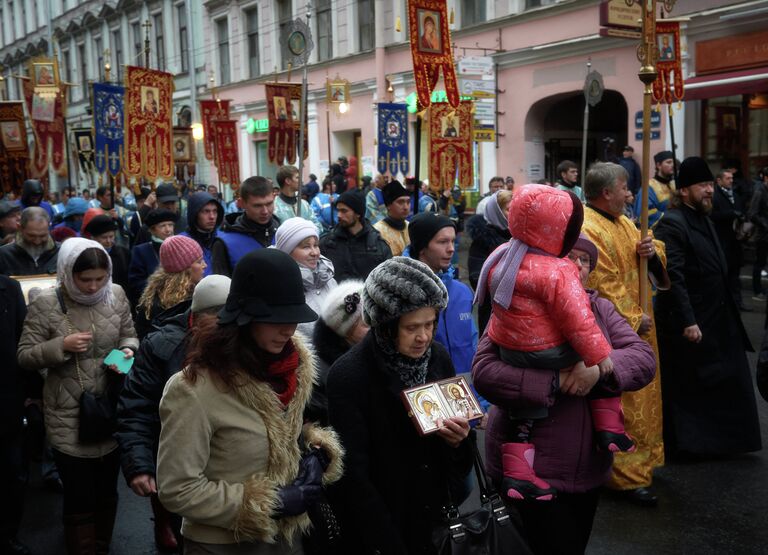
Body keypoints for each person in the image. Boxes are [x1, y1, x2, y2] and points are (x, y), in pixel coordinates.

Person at [472, 234, 656, 555]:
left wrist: (599, 369)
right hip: (529, 468)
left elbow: (642, 358)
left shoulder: (600, 307)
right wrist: (555, 381)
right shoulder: (516, 306)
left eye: (585, 261)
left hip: (587, 468)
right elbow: (485, 373)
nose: (579, 266)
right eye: (571, 256)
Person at [156, 248, 344, 553]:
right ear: (245, 318)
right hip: (221, 544)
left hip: (285, 539)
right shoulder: (194, 388)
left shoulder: (294, 367)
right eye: (275, 319)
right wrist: (268, 503)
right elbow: (177, 488)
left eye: (294, 317)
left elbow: (281, 436)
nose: (288, 329)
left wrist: (314, 452)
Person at [474, 184, 623, 501]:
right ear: (561, 229)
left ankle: (518, 475)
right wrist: (597, 358)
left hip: (511, 347)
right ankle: (609, 424)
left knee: (524, 415)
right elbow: (578, 320)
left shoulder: (505, 254)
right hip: (546, 351)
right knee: (600, 359)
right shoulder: (558, 270)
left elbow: (488, 297)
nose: (578, 264)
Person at [326, 257, 473, 553]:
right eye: (412, 328)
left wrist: (461, 441)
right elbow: (354, 475)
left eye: (430, 324)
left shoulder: (438, 357)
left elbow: (457, 451)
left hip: (437, 517)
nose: (424, 337)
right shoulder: (349, 375)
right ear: (385, 326)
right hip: (386, 523)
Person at [17, 238, 138, 554]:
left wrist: (127, 350)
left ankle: (102, 543)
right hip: (66, 411)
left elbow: (130, 333)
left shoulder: (116, 295)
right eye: (85, 279)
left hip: (109, 405)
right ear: (68, 272)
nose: (93, 286)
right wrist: (61, 346)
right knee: (79, 492)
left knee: (107, 490)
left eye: (100, 278)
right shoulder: (46, 303)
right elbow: (25, 355)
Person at [654, 156, 762, 458]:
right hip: (691, 319)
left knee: (727, 381)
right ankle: (691, 447)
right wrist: (688, 320)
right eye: (702, 185)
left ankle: (726, 443)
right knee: (692, 386)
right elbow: (672, 277)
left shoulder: (705, 217)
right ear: (684, 191)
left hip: (718, 314)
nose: (709, 190)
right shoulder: (673, 223)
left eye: (710, 184)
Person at [116, 275, 231, 552]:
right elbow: (136, 405)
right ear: (199, 316)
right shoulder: (161, 345)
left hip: (225, 458)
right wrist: (139, 465)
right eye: (218, 320)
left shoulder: (242, 338)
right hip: (177, 455)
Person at [581, 161, 669, 506]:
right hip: (617, 330)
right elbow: (601, 282)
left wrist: (651, 252)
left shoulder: (624, 221)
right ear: (606, 192)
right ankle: (622, 475)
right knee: (622, 400)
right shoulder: (590, 228)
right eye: (624, 188)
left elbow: (650, 251)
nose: (629, 193)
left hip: (642, 322)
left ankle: (643, 465)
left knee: (644, 395)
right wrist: (633, 319)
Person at [407, 212, 477, 375]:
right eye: (442, 242)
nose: (451, 248)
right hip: (425, 394)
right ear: (422, 247)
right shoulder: (406, 291)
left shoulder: (462, 292)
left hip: (465, 391)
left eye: (453, 241)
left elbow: (473, 344)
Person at [307, 280, 368, 426]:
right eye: (366, 323)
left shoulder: (382, 351)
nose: (376, 325)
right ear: (345, 330)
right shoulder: (321, 373)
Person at [0, 275, 30, 555]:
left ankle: (8, 535)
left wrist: (32, 391)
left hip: (6, 398)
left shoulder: (9, 288)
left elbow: (22, 340)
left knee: (11, 473)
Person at [274, 218, 338, 343]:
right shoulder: (280, 286)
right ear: (288, 251)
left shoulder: (328, 278)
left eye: (316, 245)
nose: (314, 253)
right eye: (306, 247)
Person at [135, 235, 205, 340]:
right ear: (184, 269)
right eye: (199, 262)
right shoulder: (157, 305)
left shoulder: (197, 290)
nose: (205, 265)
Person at [212, 176, 281, 276]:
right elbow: (220, 287)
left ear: (274, 197)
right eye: (257, 206)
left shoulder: (283, 232)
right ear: (241, 203)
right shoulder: (224, 243)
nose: (265, 211)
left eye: (269, 203)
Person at [466, 190, 513, 334]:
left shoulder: (520, 237)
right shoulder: (483, 241)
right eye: (508, 209)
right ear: (496, 212)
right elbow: (477, 278)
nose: (513, 214)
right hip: (492, 314)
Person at [320, 190, 391, 282]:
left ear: (358, 213)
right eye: (338, 210)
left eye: (344, 211)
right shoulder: (327, 243)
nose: (339, 215)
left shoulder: (378, 246)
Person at [711, 169, 749, 310]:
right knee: (723, 274)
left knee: (735, 275)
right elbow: (712, 215)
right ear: (719, 180)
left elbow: (741, 210)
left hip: (735, 241)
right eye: (727, 178)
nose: (731, 180)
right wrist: (731, 214)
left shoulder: (735, 195)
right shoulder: (715, 195)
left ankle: (738, 302)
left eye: (731, 178)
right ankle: (724, 304)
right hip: (723, 241)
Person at [127, 209, 177, 305]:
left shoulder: (181, 247)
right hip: (153, 304)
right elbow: (136, 283)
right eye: (163, 226)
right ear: (152, 230)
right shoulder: (141, 251)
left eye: (170, 225)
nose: (168, 230)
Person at [0, 207, 59, 276]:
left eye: (43, 236)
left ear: (49, 227)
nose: (37, 241)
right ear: (20, 228)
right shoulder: (4, 255)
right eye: (31, 236)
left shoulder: (61, 252)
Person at [83, 215, 131, 294]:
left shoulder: (124, 253)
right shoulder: (86, 256)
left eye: (111, 236)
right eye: (104, 237)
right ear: (93, 238)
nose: (109, 241)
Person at [180, 191, 223, 277]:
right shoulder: (182, 243)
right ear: (195, 214)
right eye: (206, 211)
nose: (212, 216)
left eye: (215, 211)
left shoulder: (223, 239)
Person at [273, 165, 323, 234]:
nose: (301, 181)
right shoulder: (274, 207)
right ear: (288, 181)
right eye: (297, 178)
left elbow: (318, 227)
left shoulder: (304, 204)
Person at [634, 150, 676, 228]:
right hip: (659, 232)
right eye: (668, 162)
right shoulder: (648, 187)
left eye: (673, 162)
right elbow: (645, 213)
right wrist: (672, 219)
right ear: (658, 165)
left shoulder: (674, 185)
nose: (673, 165)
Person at [373, 180, 411, 256]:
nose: (406, 207)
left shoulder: (411, 226)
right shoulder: (377, 231)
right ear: (389, 206)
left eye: (408, 202)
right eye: (400, 202)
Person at [749, 167, 768, 301]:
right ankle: (757, 291)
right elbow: (752, 214)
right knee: (759, 262)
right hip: (762, 235)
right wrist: (765, 224)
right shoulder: (759, 191)